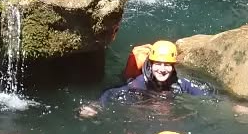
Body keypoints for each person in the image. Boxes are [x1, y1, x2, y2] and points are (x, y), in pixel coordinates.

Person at [79, 40, 215, 116]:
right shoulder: (138, 84)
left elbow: (206, 93)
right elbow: (111, 93)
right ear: (150, 64)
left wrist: (233, 104)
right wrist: (96, 105)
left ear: (173, 67)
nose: (162, 69)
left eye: (167, 65)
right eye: (158, 64)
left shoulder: (178, 83)